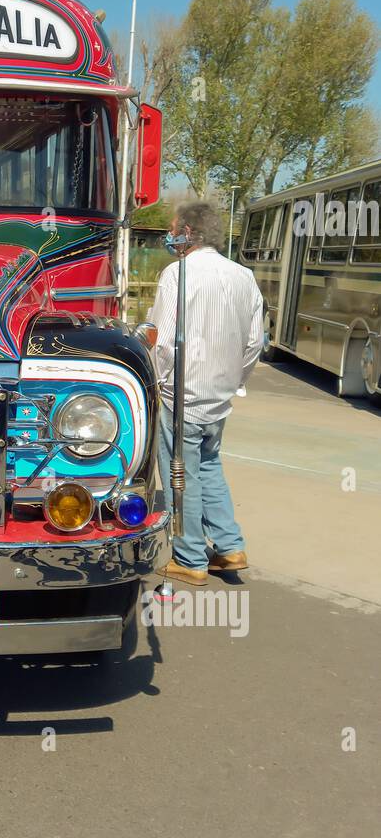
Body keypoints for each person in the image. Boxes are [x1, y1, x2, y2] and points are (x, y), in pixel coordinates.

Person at [145, 200, 264, 586]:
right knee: (209, 467)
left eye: (174, 228)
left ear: (188, 233)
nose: (170, 235)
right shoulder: (243, 276)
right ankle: (230, 547)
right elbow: (254, 342)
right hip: (220, 395)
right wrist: (234, 380)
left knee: (181, 475)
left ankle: (191, 557)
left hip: (182, 393)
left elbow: (161, 342)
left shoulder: (177, 274)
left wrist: (156, 383)